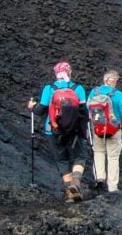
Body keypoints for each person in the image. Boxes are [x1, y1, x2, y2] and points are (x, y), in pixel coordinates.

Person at [28, 62, 89, 202]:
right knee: (79, 157)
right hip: (74, 130)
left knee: (62, 160)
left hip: (53, 130)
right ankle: (76, 183)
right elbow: (83, 111)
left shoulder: (49, 88)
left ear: (56, 74)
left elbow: (40, 110)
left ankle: (70, 194)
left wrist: (32, 106)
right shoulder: (78, 88)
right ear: (70, 73)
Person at [87, 70, 122, 194]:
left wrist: (88, 128)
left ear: (104, 80)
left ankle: (99, 178)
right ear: (114, 81)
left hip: (97, 128)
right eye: (115, 81)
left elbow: (87, 110)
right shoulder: (117, 94)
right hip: (114, 129)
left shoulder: (94, 92)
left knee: (98, 152)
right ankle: (112, 187)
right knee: (113, 157)